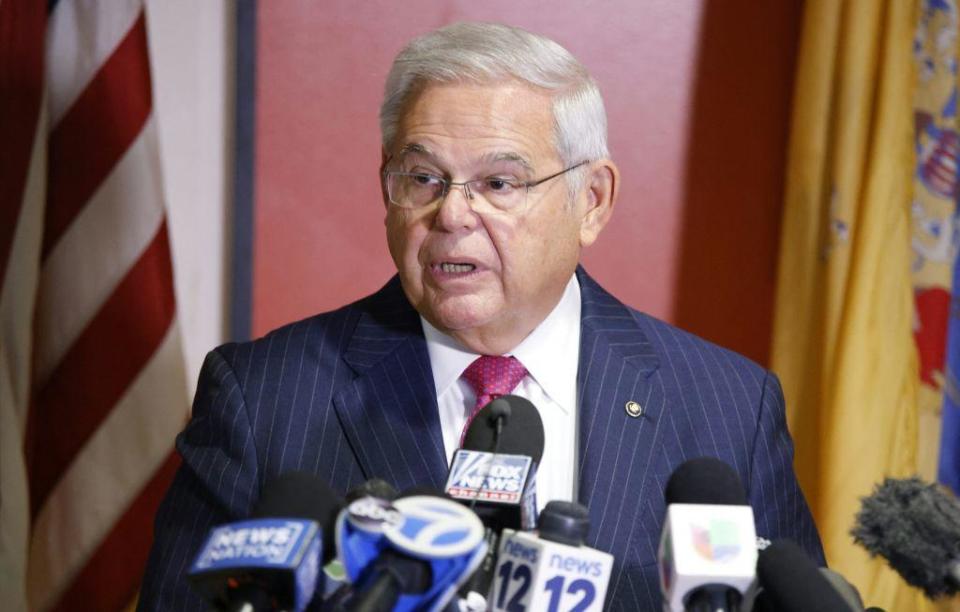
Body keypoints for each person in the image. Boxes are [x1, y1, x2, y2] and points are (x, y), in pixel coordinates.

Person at [139, 22, 824, 610]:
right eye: (422, 178)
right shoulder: (263, 400)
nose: (452, 215)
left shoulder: (728, 410)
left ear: (593, 200)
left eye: (498, 183)